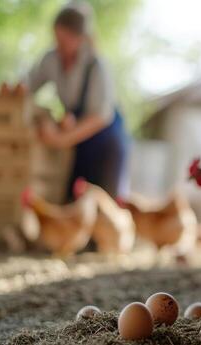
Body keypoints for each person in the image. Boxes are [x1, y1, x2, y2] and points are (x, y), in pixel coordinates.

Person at [27, 3, 129, 200]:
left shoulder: (96, 65)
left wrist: (61, 139)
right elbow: (28, 85)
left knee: (102, 206)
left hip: (105, 142)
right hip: (81, 144)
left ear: (80, 38)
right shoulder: (51, 59)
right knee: (74, 202)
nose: (59, 46)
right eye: (56, 39)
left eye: (64, 41)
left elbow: (100, 116)